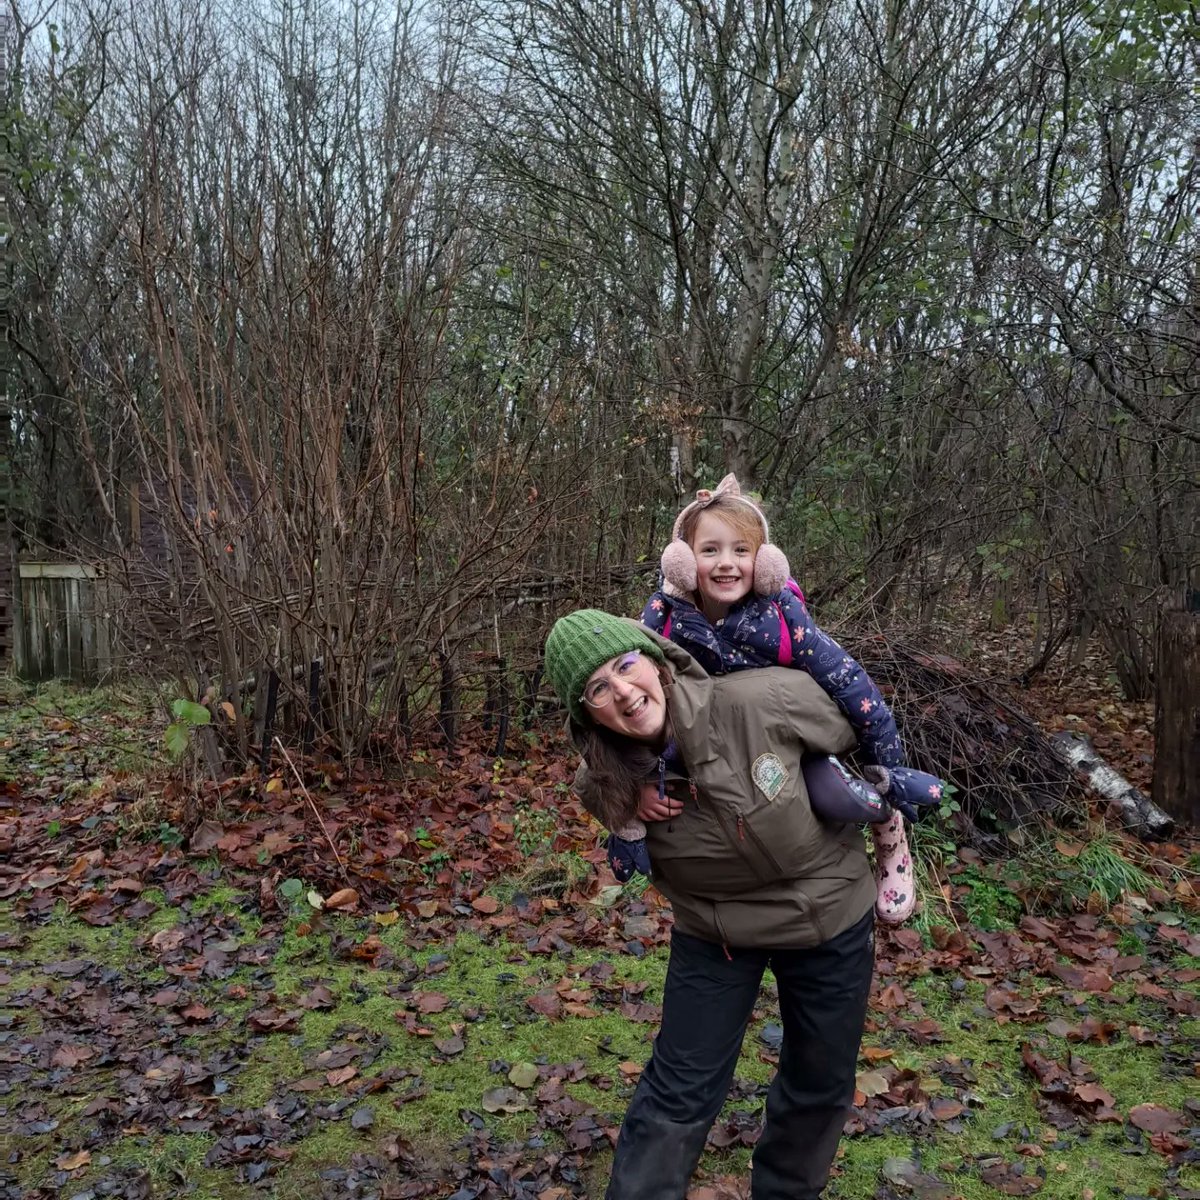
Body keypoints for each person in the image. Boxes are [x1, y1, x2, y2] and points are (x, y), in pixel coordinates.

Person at [543, 608, 877, 1200]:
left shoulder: (763, 698)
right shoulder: (609, 776)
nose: (622, 691)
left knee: (820, 1080)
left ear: (654, 658)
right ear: (586, 715)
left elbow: (856, 733)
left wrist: (865, 799)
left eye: (625, 665)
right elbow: (595, 788)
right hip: (714, 931)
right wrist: (622, 795)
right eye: (597, 688)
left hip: (828, 912)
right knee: (680, 1086)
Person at [611, 473, 942, 923]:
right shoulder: (663, 616)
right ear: (683, 562)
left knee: (835, 795)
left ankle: (888, 830)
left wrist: (886, 764)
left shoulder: (782, 618)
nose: (725, 564)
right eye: (710, 550)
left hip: (791, 739)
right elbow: (625, 696)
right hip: (710, 740)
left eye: (741, 551)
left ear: (764, 561)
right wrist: (633, 789)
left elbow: (852, 684)